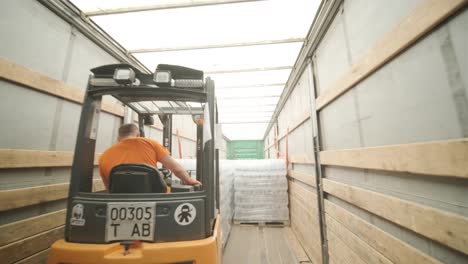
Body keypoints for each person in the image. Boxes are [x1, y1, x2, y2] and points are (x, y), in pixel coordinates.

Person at [99, 123, 201, 190]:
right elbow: (177, 169)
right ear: (138, 135)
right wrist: (188, 180)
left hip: (120, 201)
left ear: (118, 138)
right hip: (154, 197)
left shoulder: (104, 156)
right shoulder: (150, 144)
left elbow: (109, 187)